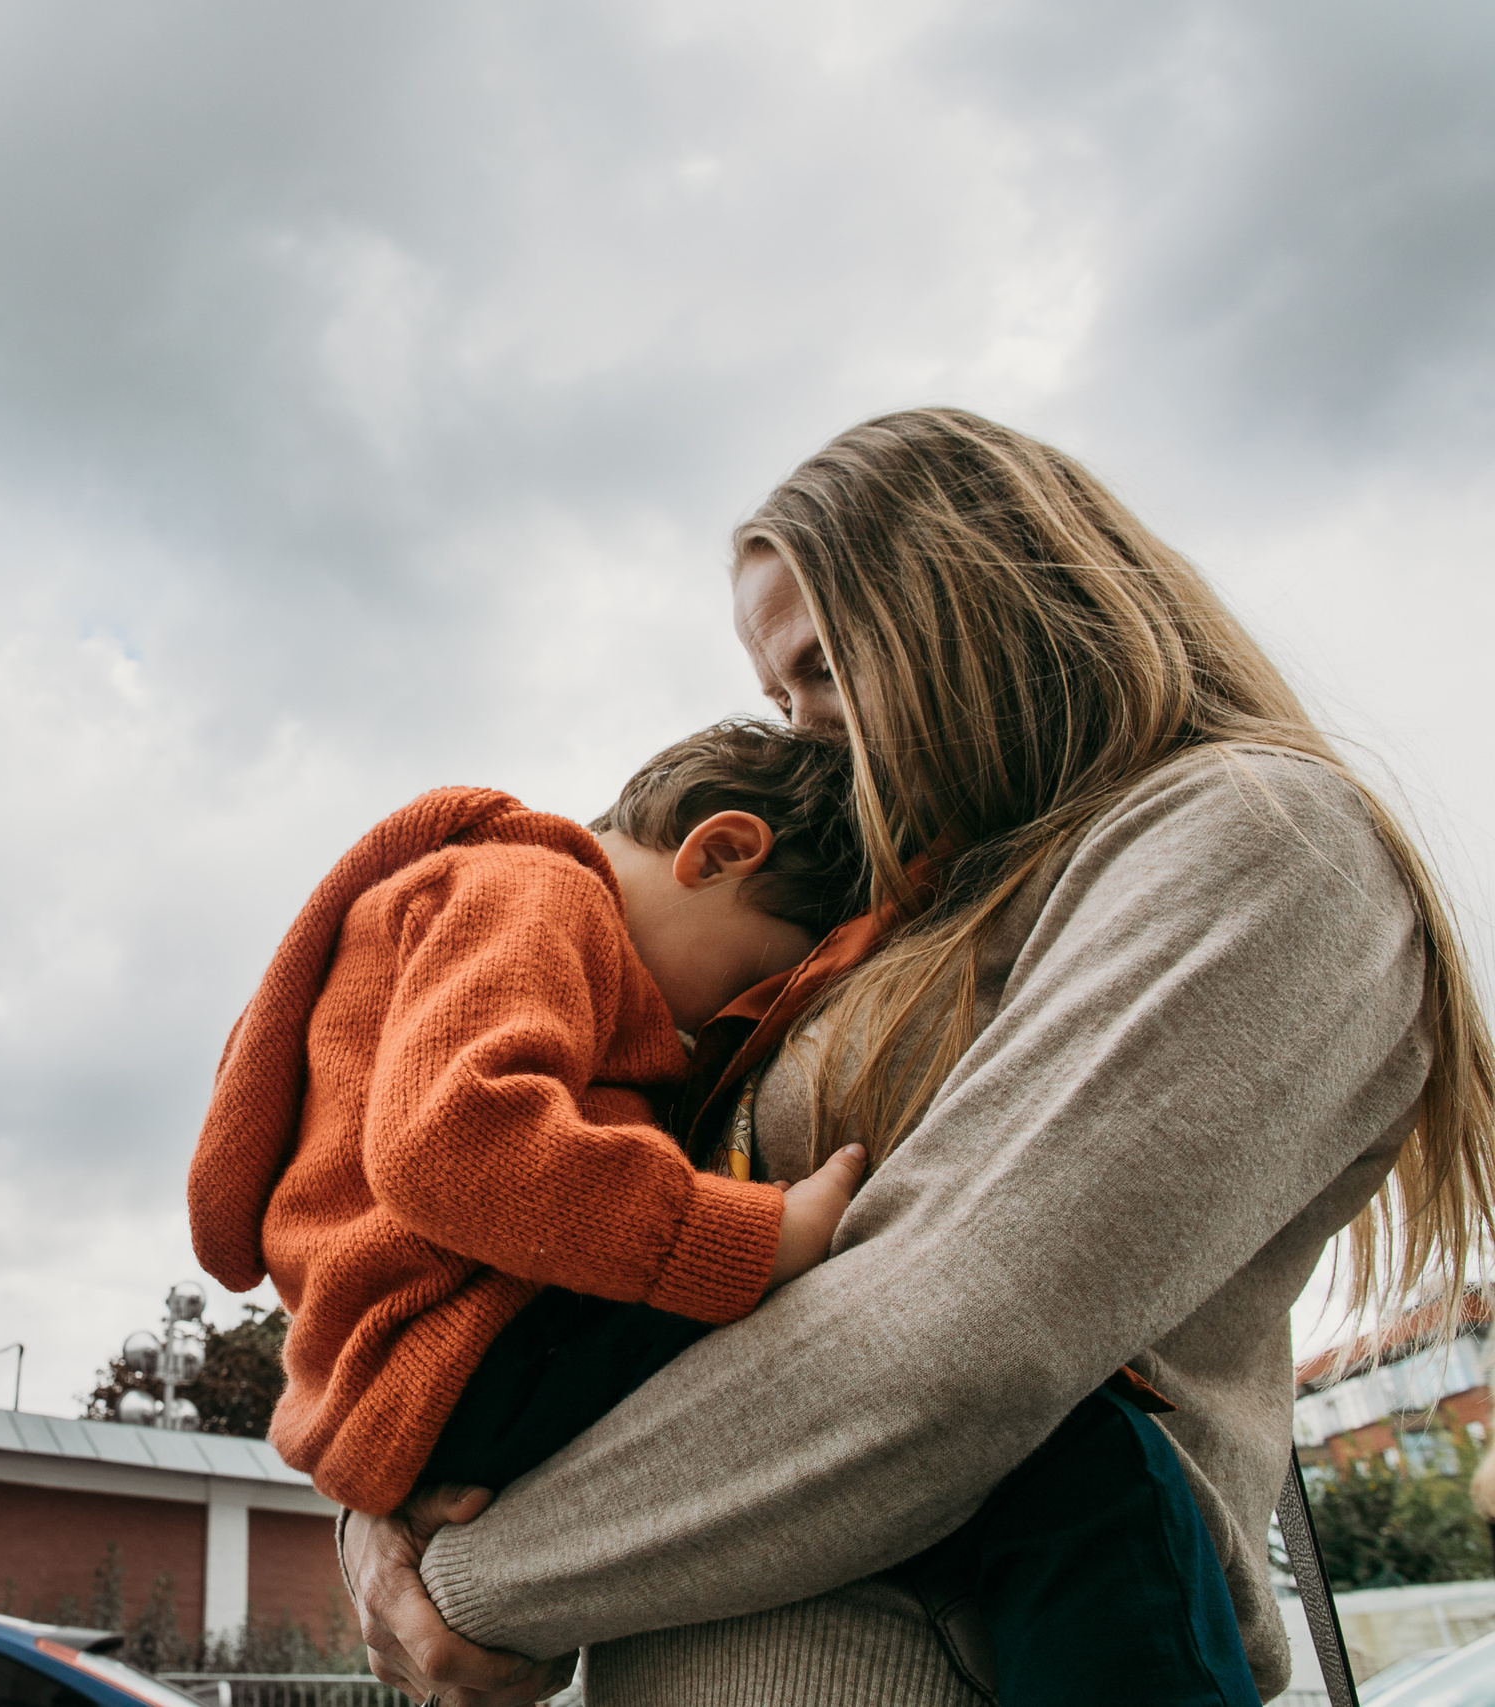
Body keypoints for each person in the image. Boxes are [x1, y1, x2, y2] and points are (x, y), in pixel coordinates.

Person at [336, 407, 1495, 1706]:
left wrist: (480, 1576)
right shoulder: (863, 936)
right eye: (778, 696)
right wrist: (380, 1492)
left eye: (822, 669)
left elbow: (967, 1329)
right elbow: (534, 1271)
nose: (804, 736)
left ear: (972, 596)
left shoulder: (1260, 834)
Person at [188, 721, 873, 1517]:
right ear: (717, 853)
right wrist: (737, 1238)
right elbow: (452, 1143)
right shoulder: (541, 891)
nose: (729, 1023)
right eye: (756, 980)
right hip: (478, 1347)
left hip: (416, 1383)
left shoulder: (480, 898)